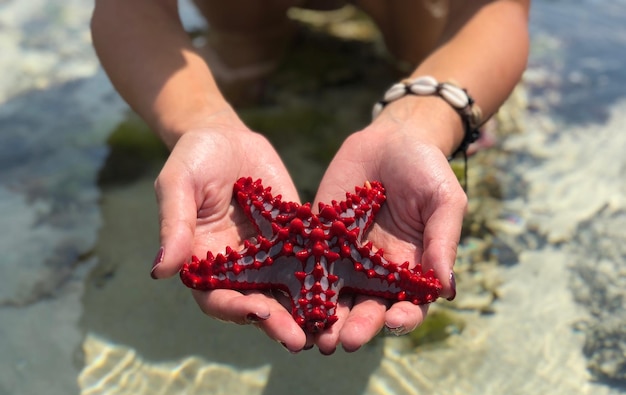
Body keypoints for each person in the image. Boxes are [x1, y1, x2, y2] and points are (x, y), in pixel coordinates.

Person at [91, 0, 530, 354]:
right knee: (242, 47)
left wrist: (427, 122)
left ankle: (427, 79)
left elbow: (499, 8)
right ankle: (246, 53)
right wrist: (201, 120)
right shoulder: (302, 237)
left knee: (420, 41)